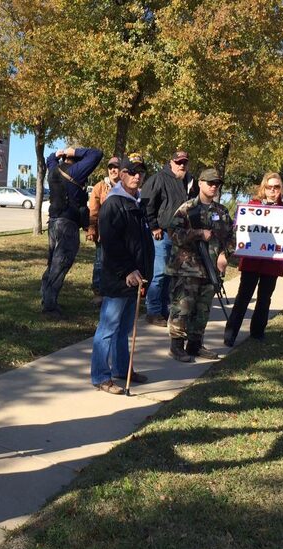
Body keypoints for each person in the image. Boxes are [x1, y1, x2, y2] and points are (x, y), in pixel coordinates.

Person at [223, 172, 283, 346]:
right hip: (251, 262)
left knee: (264, 299)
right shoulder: (252, 207)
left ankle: (257, 333)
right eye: (269, 187)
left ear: (281, 189)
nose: (273, 190)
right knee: (243, 297)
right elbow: (239, 230)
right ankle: (230, 334)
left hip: (272, 264)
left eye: (277, 187)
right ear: (263, 188)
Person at [90, 154, 154, 394]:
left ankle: (122, 369)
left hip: (136, 277)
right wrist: (127, 270)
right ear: (122, 174)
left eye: (141, 173)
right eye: (132, 172)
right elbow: (111, 243)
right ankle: (100, 376)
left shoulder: (136, 202)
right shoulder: (113, 203)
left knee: (124, 329)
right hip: (119, 277)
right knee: (108, 328)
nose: (137, 176)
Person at [166, 168, 234, 362]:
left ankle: (195, 345)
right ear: (200, 184)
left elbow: (230, 237)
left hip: (211, 269)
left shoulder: (221, 212)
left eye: (217, 184)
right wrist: (196, 234)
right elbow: (173, 234)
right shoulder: (187, 209)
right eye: (210, 183)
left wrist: (224, 254)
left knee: (203, 309)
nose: (213, 187)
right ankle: (176, 346)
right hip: (188, 268)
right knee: (183, 307)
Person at [41, 145, 104, 319]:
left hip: (53, 222)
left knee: (52, 263)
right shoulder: (76, 171)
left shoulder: (54, 169)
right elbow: (96, 153)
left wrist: (57, 154)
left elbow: (50, 159)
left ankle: (46, 298)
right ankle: (50, 307)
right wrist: (74, 151)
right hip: (67, 224)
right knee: (60, 264)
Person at [141, 149, 197, 327]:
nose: (182, 165)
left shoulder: (189, 181)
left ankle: (164, 310)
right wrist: (154, 226)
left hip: (179, 236)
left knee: (169, 275)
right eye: (179, 162)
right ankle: (153, 311)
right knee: (158, 273)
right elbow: (147, 203)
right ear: (171, 162)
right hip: (162, 234)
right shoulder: (159, 178)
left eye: (184, 162)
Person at [87, 156, 121, 306]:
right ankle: (98, 292)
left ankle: (114, 290)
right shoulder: (100, 187)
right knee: (100, 262)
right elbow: (93, 210)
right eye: (111, 167)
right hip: (104, 233)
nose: (113, 170)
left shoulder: (125, 186)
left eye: (116, 167)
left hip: (120, 233)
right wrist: (92, 228)